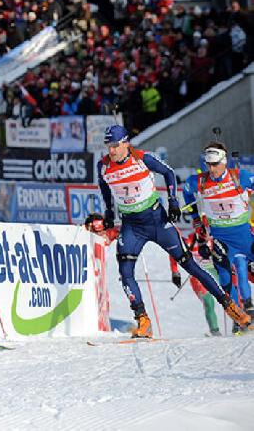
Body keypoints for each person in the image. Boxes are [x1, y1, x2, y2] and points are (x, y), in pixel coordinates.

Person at [86, 126, 250, 337]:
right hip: (132, 226)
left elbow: (168, 173)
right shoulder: (103, 166)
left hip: (157, 220)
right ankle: (142, 320)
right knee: (125, 272)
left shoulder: (142, 158)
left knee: (189, 264)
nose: (112, 150)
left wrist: (173, 202)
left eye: (116, 145)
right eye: (109, 146)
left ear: (126, 143)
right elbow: (104, 186)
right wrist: (109, 210)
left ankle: (230, 306)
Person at [182, 142, 254, 325]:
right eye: (208, 164)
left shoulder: (240, 177)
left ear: (224, 161)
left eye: (215, 164)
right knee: (224, 277)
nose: (211, 169)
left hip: (244, 235)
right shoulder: (200, 181)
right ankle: (240, 317)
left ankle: (249, 308)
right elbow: (187, 191)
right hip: (221, 237)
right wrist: (196, 219)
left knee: (245, 269)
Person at [168, 232, 221, 336]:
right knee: (208, 301)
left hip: (214, 270)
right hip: (198, 274)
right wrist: (175, 272)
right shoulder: (189, 240)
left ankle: (240, 323)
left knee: (230, 293)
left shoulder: (214, 236)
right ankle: (215, 330)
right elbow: (174, 253)